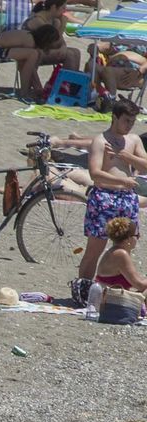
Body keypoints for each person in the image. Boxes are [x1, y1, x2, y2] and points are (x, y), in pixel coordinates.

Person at [78, 101, 147, 293]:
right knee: (94, 249)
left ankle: (116, 291)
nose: (130, 125)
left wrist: (128, 158)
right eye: (126, 121)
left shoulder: (133, 140)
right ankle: (82, 291)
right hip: (104, 198)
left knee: (125, 248)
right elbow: (95, 173)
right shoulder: (100, 141)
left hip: (127, 199)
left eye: (133, 121)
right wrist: (123, 182)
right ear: (114, 117)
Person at [0, 21, 72, 101]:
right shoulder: (29, 41)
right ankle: (24, 92)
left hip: (0, 50)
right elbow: (28, 69)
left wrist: (37, 86)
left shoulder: (30, 38)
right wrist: (38, 86)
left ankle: (27, 90)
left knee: (32, 55)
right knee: (33, 54)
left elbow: (25, 65)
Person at [94, 216, 147, 291]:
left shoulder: (114, 251)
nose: (138, 238)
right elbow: (140, 285)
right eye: (137, 235)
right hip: (110, 300)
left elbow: (139, 281)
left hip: (110, 297)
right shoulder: (121, 254)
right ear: (128, 239)